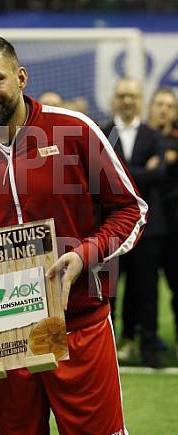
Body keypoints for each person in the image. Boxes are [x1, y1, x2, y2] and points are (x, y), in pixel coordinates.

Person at [0, 34, 147, 435]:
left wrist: (85, 254)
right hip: (1, 337)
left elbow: (132, 209)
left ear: (21, 77)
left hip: (80, 326)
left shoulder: (75, 130)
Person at [102, 78, 166, 368]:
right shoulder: (102, 132)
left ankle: (149, 349)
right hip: (109, 230)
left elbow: (159, 174)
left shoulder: (153, 136)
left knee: (146, 291)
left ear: (140, 100)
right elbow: (97, 176)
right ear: (114, 99)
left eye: (132, 95)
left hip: (148, 230)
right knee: (107, 293)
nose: (127, 100)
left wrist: (120, 173)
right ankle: (107, 351)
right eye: (122, 95)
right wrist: (142, 171)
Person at [148, 87, 178, 357]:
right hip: (149, 227)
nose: (164, 110)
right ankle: (141, 338)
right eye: (159, 104)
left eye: (169, 106)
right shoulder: (142, 138)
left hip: (175, 229)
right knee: (143, 289)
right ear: (151, 108)